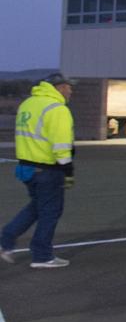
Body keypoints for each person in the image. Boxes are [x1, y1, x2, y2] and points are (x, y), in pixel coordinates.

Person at [2, 73, 76, 269]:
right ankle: (42, 256)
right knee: (50, 211)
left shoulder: (28, 104)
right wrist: (68, 171)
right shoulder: (58, 109)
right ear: (60, 88)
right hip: (47, 170)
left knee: (37, 207)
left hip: (26, 167)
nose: (71, 91)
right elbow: (61, 145)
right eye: (69, 87)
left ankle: (6, 239)